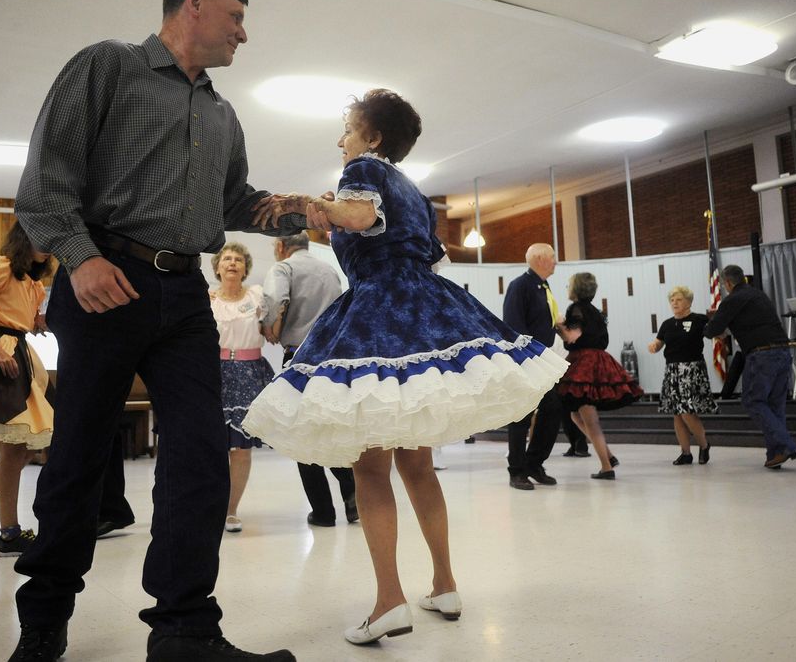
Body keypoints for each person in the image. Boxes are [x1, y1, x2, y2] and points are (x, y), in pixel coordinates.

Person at [12, 0, 295, 661]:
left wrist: (303, 209)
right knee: (79, 456)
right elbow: (46, 184)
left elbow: (234, 203)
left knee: (200, 455)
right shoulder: (108, 66)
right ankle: (43, 623)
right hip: (104, 280)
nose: (243, 34)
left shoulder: (223, 114)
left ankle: (185, 631)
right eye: (235, 17)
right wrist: (81, 258)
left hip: (185, 297)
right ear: (192, 4)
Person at [243, 89, 567, 645]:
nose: (340, 139)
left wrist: (306, 203)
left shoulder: (363, 168)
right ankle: (444, 584)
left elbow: (361, 215)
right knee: (416, 463)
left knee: (371, 467)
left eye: (347, 128)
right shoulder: (413, 191)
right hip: (424, 306)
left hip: (380, 312)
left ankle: (390, 600)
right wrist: (330, 217)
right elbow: (399, 240)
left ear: (372, 137)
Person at [262, 232, 357, 528]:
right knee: (331, 428)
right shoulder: (329, 270)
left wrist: (268, 326)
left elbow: (275, 298)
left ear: (280, 246)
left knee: (302, 434)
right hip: (333, 359)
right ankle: (352, 495)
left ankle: (323, 512)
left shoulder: (283, 268)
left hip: (299, 359)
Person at [0, 222, 54, 557]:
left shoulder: (33, 283)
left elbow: (19, 317)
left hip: (21, 357)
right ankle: (9, 534)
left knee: (25, 449)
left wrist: (35, 322)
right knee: (14, 450)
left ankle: (9, 532)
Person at [703, 265, 796, 469]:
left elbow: (713, 329)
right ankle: (775, 454)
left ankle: (787, 445)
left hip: (762, 354)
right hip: (783, 351)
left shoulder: (732, 300)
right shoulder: (758, 295)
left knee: (752, 400)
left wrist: (710, 328)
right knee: (775, 405)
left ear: (728, 283)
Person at [210, 242, 275, 533]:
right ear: (218, 267)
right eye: (227, 259)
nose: (232, 263)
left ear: (245, 267)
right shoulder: (208, 299)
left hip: (249, 373)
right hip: (215, 373)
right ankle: (209, 505)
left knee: (241, 447)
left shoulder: (257, 296)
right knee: (212, 445)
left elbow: (274, 324)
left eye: (238, 259)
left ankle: (231, 511)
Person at [556, 272, 642, 480]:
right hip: (600, 360)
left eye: (569, 284)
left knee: (589, 419)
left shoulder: (575, 309)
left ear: (576, 288)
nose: (567, 287)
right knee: (575, 414)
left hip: (583, 363)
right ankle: (608, 456)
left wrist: (558, 326)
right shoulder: (595, 311)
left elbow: (572, 337)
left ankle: (606, 467)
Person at [501, 243, 565, 490]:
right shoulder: (520, 286)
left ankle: (533, 463)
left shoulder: (542, 286)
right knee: (521, 416)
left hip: (542, 359)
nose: (556, 262)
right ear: (540, 258)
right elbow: (514, 326)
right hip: (527, 360)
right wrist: (528, 359)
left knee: (552, 410)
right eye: (552, 257)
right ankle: (516, 470)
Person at [648, 286, 717, 465]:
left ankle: (704, 445)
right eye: (672, 300)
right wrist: (653, 346)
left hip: (692, 369)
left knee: (686, 412)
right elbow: (658, 343)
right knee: (677, 414)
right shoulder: (667, 324)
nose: (674, 303)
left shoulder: (699, 319)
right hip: (672, 371)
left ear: (688, 301)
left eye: (678, 299)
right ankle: (685, 453)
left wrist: (717, 323)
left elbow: (717, 334)